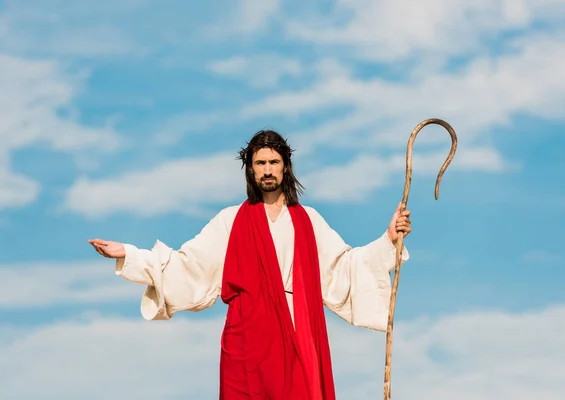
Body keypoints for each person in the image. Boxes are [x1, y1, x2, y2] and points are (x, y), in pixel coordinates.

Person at [89, 129, 412, 400]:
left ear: (286, 168)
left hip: (298, 334)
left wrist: (388, 239)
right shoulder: (229, 222)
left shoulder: (309, 221)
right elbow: (187, 266)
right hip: (247, 342)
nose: (268, 169)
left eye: (274, 162)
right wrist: (129, 254)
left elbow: (344, 268)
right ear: (251, 170)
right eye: (261, 163)